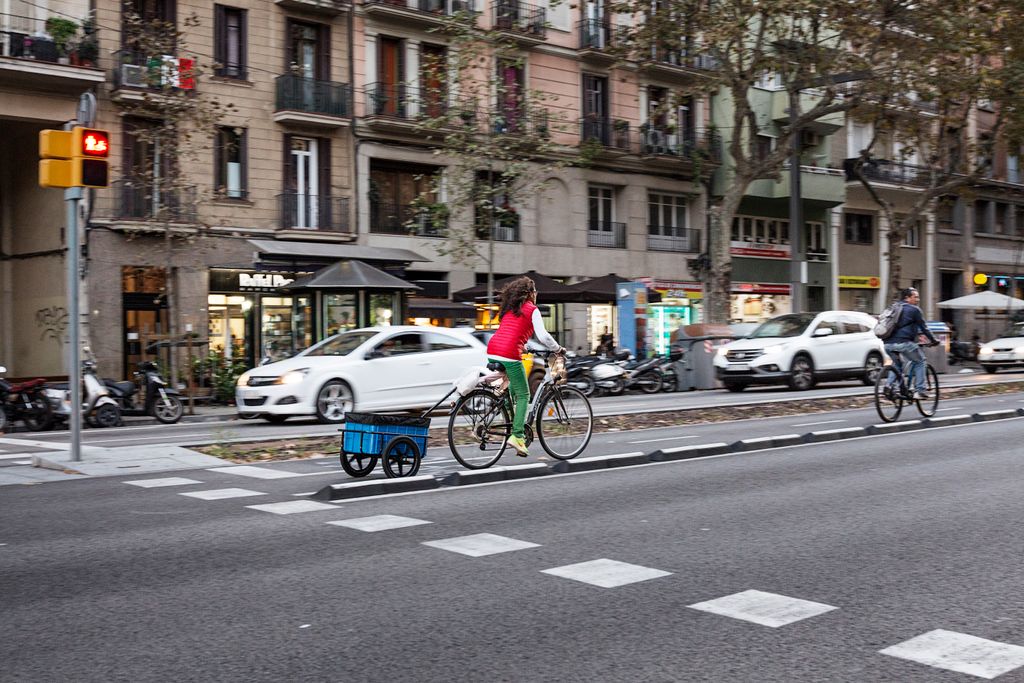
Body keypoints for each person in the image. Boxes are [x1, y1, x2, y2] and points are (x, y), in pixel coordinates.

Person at [486, 276, 564, 457]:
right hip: (509, 354)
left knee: (511, 389)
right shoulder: (532, 309)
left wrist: (525, 346)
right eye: (535, 292)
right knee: (524, 395)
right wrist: (557, 348)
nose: (536, 295)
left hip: (493, 349)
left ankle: (510, 421)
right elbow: (543, 336)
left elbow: (512, 331)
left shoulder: (509, 309)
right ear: (529, 294)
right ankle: (517, 436)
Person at [885, 287, 938, 399]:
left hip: (888, 344)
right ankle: (920, 390)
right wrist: (933, 340)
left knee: (897, 365)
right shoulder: (914, 310)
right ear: (907, 298)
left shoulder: (893, 307)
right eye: (915, 297)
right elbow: (924, 328)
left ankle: (889, 386)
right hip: (904, 343)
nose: (918, 299)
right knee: (920, 361)